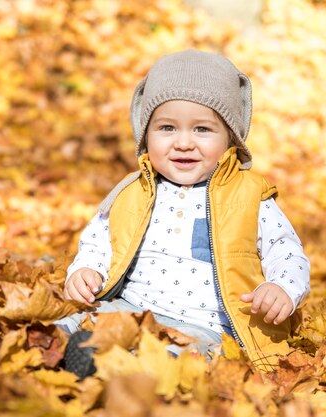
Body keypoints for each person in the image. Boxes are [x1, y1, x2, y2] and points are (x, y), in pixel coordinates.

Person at [56, 49, 310, 372]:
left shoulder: (250, 197)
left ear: (230, 138)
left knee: (193, 356)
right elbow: (99, 239)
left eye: (202, 130)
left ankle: (132, 366)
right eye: (167, 128)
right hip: (132, 307)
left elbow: (287, 253)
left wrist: (282, 288)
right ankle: (60, 346)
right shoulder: (134, 191)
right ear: (146, 134)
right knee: (81, 319)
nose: (184, 143)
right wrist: (86, 269)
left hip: (202, 325)